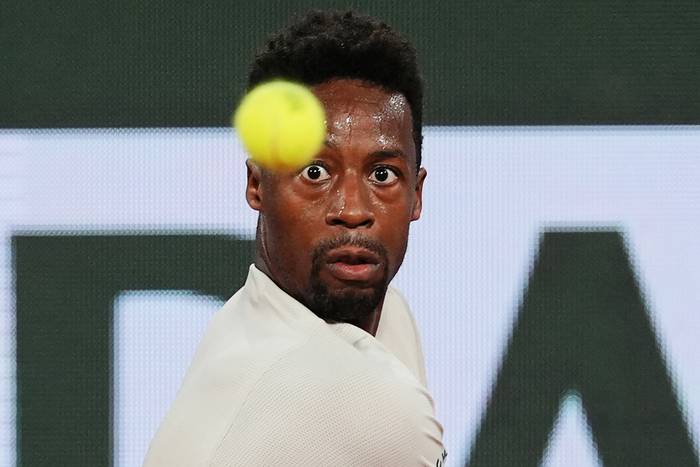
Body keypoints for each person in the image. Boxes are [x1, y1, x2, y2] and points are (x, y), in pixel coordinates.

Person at [145, 9, 447, 466]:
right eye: (315, 171)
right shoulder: (362, 399)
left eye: (383, 174)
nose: (353, 210)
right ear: (257, 185)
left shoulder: (383, 320)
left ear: (417, 194)